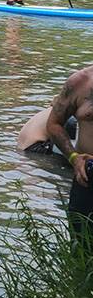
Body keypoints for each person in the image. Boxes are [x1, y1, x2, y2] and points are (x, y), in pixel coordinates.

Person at [43, 66, 93, 238]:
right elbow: (53, 124)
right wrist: (74, 158)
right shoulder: (80, 82)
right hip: (86, 177)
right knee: (81, 247)